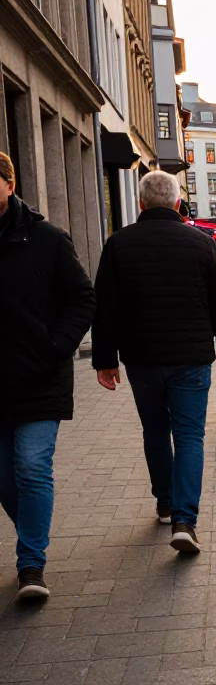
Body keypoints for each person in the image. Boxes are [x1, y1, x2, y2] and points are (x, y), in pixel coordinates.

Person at [92, 170, 216, 555]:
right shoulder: (201, 243)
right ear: (177, 203)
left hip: (142, 357)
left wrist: (105, 360)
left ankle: (165, 503)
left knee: (155, 431)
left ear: (140, 204)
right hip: (191, 355)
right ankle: (185, 520)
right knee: (190, 435)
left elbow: (105, 307)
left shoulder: (118, 245)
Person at [0, 152, 96, 600]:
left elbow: (82, 299)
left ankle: (31, 566)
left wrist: (57, 347)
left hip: (40, 376)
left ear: (8, 184)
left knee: (32, 467)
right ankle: (33, 533)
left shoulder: (48, 239)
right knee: (4, 477)